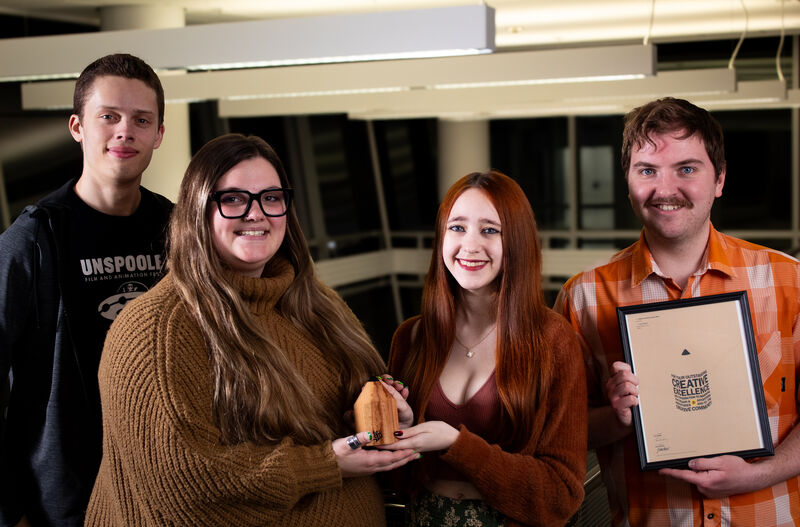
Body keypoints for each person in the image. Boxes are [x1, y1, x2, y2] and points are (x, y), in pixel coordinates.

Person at [84, 133, 419, 526]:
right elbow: (183, 485)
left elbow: (349, 424)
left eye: (271, 197)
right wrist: (325, 464)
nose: (256, 213)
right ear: (197, 210)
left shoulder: (318, 304)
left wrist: (389, 419)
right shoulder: (155, 329)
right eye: (233, 199)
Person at [555, 97, 800, 526]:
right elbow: (559, 431)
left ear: (719, 178)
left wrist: (757, 474)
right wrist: (615, 418)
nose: (665, 189)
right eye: (647, 170)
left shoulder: (791, 282)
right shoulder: (583, 298)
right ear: (628, 181)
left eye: (686, 169)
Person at [0, 54, 172, 527]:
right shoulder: (32, 240)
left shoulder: (180, 231)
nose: (125, 131)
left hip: (165, 485)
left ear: (159, 134)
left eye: (142, 120)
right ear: (77, 127)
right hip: (66, 500)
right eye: (108, 117)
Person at [383, 171, 587, 526]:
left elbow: (561, 494)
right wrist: (401, 428)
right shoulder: (411, 337)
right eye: (457, 228)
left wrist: (457, 446)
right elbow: (396, 482)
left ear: (517, 242)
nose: (470, 245)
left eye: (490, 230)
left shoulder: (553, 340)